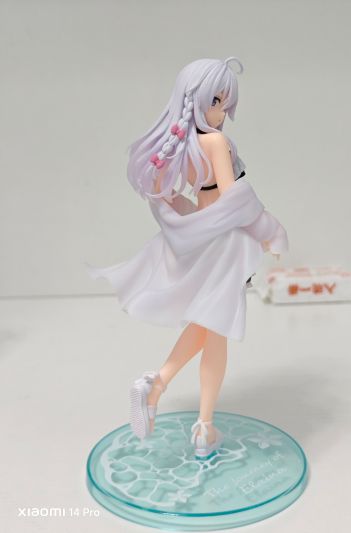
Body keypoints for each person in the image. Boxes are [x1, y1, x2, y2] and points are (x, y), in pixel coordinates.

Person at [85, 57, 288, 460]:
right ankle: (200, 424)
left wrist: (189, 221)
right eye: (215, 101)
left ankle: (163, 391)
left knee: (207, 325)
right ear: (194, 98)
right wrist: (270, 231)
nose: (221, 112)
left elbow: (165, 195)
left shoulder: (181, 146)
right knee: (216, 331)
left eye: (225, 103)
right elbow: (235, 200)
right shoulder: (215, 143)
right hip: (224, 244)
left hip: (202, 242)